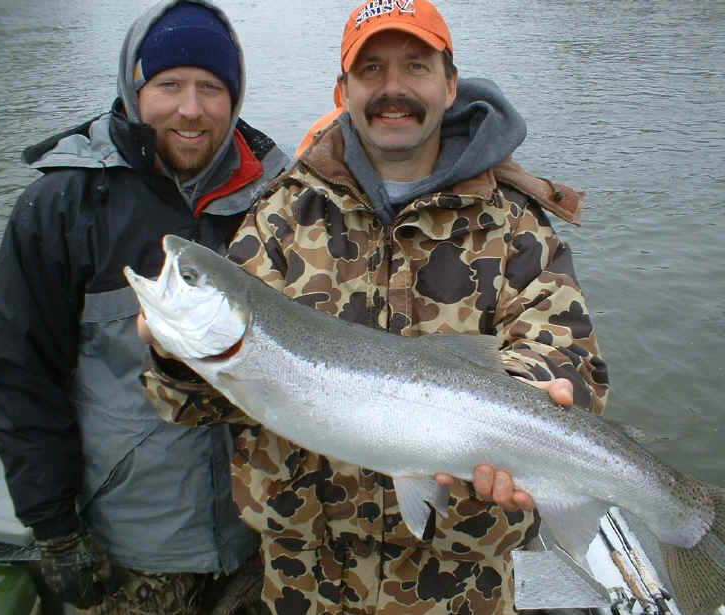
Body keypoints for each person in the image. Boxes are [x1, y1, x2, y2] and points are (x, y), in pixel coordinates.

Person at [140, 0, 609, 613]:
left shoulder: (514, 225)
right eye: (371, 70)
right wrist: (175, 359)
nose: (393, 88)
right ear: (343, 90)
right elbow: (195, 406)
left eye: (415, 66)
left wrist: (523, 405)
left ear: (449, 84)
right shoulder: (282, 216)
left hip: (461, 583)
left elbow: (569, 358)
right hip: (307, 577)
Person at [0, 1, 289, 613]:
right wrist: (54, 528)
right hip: (130, 545)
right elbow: (20, 376)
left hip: (263, 536)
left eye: (211, 87)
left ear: (235, 97)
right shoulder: (63, 205)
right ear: (133, 88)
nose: (191, 109)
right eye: (168, 85)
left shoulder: (282, 198)